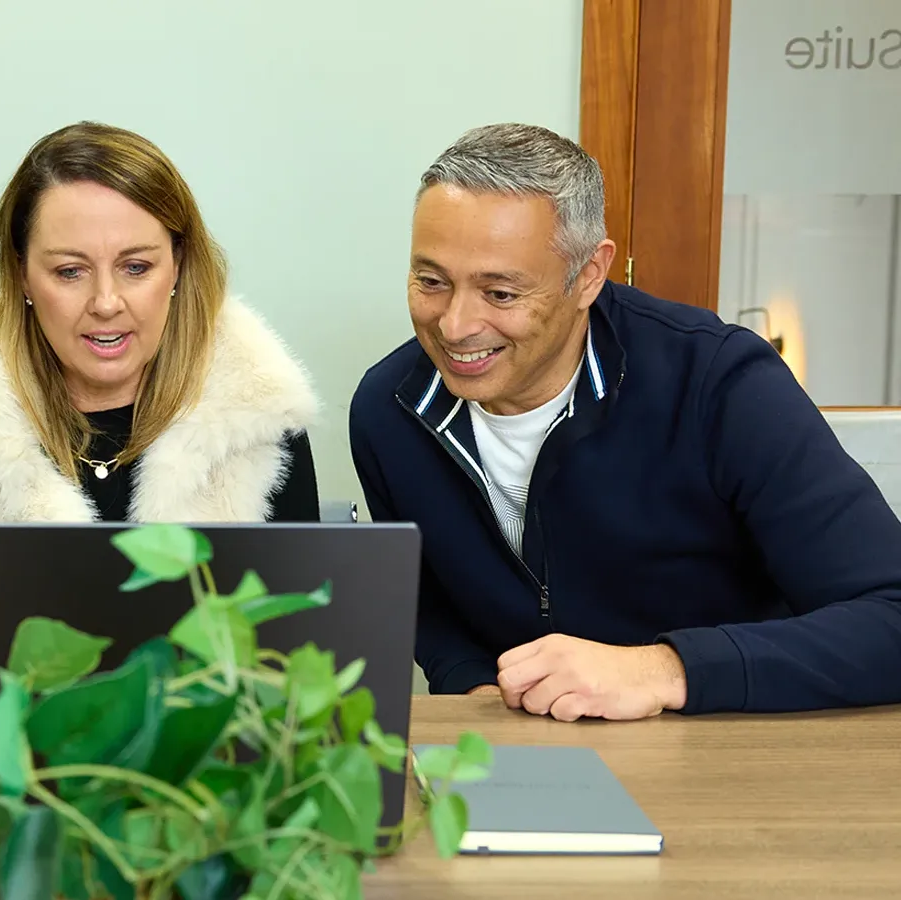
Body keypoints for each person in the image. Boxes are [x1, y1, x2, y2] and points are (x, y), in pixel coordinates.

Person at [350, 123, 901, 720]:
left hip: (726, 751)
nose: (455, 326)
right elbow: (432, 605)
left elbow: (890, 616)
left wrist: (665, 670)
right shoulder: (389, 410)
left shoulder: (720, 382)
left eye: (501, 294)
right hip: (523, 759)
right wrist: (478, 690)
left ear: (588, 275)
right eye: (431, 282)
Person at [0, 122, 320, 523]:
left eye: (135, 267)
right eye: (70, 272)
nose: (106, 303)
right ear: (22, 275)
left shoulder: (257, 425)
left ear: (177, 266)